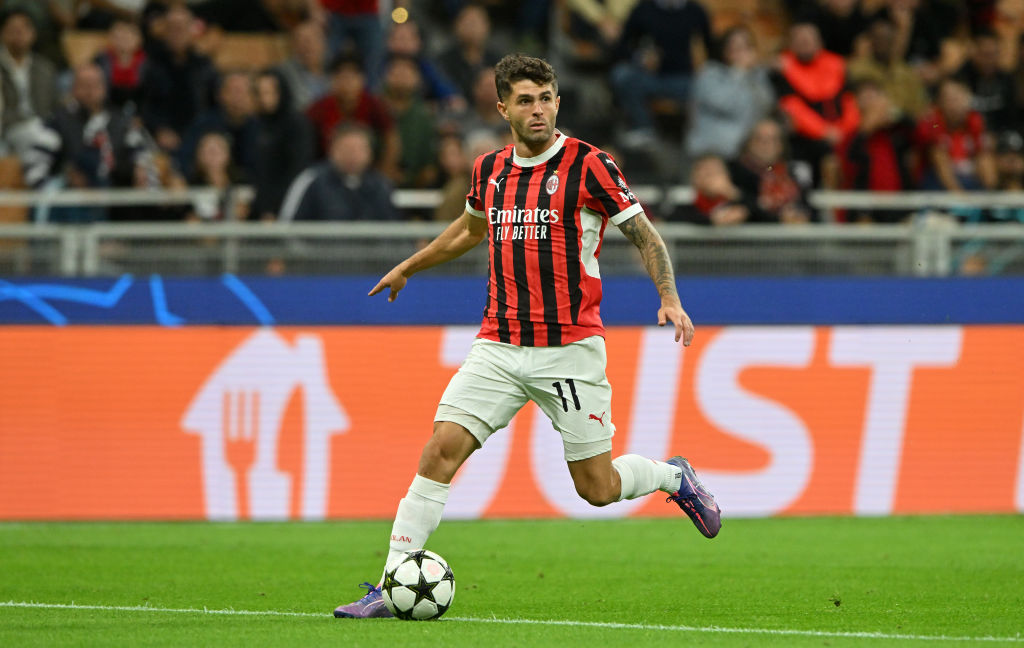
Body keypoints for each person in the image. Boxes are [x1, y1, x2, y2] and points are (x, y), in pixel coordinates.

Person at [332, 53, 720, 619]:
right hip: (498, 344)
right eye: (524, 100)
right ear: (502, 107)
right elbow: (468, 230)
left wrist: (669, 297)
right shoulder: (489, 170)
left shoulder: (590, 165)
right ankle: (390, 583)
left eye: (545, 98)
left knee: (598, 487)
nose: (537, 109)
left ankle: (672, 475)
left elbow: (645, 235)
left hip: (569, 350)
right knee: (440, 450)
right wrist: (410, 266)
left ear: (557, 101)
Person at [610, 0, 712, 145]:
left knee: (707, 86)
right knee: (621, 75)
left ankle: (698, 136)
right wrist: (639, 57)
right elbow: (621, 46)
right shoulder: (643, 8)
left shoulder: (695, 11)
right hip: (649, 77)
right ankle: (644, 127)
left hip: (684, 79)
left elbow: (711, 48)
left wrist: (705, 72)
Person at [773, 21, 859, 188]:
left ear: (820, 42)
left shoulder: (836, 64)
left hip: (843, 134)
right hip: (805, 140)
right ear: (790, 44)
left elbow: (850, 101)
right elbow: (793, 107)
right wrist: (824, 131)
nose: (805, 42)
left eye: (809, 39)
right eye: (799, 39)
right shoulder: (783, 68)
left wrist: (844, 130)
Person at [685, 25, 774, 160]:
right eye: (736, 48)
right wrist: (739, 73)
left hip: (745, 154)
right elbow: (724, 104)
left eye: (747, 47)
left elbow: (766, 106)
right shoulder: (710, 73)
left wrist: (752, 76)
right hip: (711, 152)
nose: (742, 54)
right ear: (725, 51)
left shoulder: (756, 76)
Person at [306, 51, 398, 178]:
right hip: (327, 174)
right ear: (333, 81)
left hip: (367, 173)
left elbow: (391, 138)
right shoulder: (318, 108)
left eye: (352, 77)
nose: (347, 83)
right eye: (342, 77)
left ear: (362, 79)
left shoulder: (374, 105)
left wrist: (384, 172)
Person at [278, 123, 397, 221]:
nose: (352, 155)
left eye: (358, 149)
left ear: (370, 153)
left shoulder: (381, 185)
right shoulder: (311, 180)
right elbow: (288, 226)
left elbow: (395, 230)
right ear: (332, 150)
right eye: (346, 149)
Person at [251, 69, 314, 220]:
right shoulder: (257, 124)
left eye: (269, 93)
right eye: (260, 93)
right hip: (262, 205)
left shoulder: (296, 125)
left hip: (289, 207)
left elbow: (297, 170)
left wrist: (273, 208)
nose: (264, 99)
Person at [915, 77, 996, 191]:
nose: (955, 104)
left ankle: (991, 196)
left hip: (970, 179)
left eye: (959, 97)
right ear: (940, 102)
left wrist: (990, 190)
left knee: (986, 156)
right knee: (938, 154)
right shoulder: (933, 123)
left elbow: (982, 155)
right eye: (950, 99)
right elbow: (938, 158)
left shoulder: (974, 121)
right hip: (939, 185)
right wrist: (959, 196)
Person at [436, 3, 501, 103]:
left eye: (476, 22)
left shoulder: (497, 61)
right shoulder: (444, 61)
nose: (472, 27)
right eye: (467, 22)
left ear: (487, 26)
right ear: (456, 26)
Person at [93, 18, 148, 110]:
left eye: (128, 36)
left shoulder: (147, 64)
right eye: (118, 36)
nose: (123, 40)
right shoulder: (101, 59)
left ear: (139, 40)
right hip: (105, 108)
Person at [275, 21, 330, 111]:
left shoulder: (335, 68)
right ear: (294, 46)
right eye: (301, 41)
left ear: (324, 43)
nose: (307, 46)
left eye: (312, 40)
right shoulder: (283, 73)